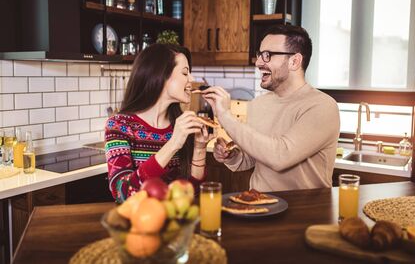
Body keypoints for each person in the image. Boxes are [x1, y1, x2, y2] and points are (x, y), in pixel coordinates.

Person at [203, 25, 340, 192]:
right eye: (259, 55)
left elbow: (280, 156)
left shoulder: (322, 106)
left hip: (305, 213)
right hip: (260, 207)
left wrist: (225, 116)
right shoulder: (258, 104)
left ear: (294, 61)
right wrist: (232, 156)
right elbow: (254, 157)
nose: (259, 62)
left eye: (267, 55)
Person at [105, 44, 212, 203]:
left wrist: (200, 148)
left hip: (177, 222)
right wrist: (173, 143)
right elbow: (123, 193)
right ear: (161, 76)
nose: (192, 79)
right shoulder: (119, 125)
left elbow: (192, 194)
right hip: (142, 222)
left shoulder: (180, 125)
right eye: (185, 72)